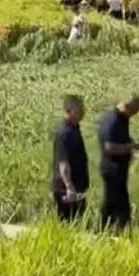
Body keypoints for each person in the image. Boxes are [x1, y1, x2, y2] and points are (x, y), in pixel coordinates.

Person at [97, 96, 139, 231]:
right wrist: (133, 146)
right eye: (134, 110)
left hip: (119, 169)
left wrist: (132, 142)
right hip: (112, 168)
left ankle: (117, 229)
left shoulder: (123, 119)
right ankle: (107, 229)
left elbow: (121, 138)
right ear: (127, 105)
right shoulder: (112, 120)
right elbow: (110, 148)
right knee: (113, 202)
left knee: (118, 202)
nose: (134, 114)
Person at [52, 95, 89, 223]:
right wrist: (69, 187)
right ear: (69, 110)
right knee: (68, 224)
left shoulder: (74, 129)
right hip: (66, 189)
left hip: (77, 187)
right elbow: (63, 163)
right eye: (79, 109)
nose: (83, 111)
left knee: (77, 223)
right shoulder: (64, 133)